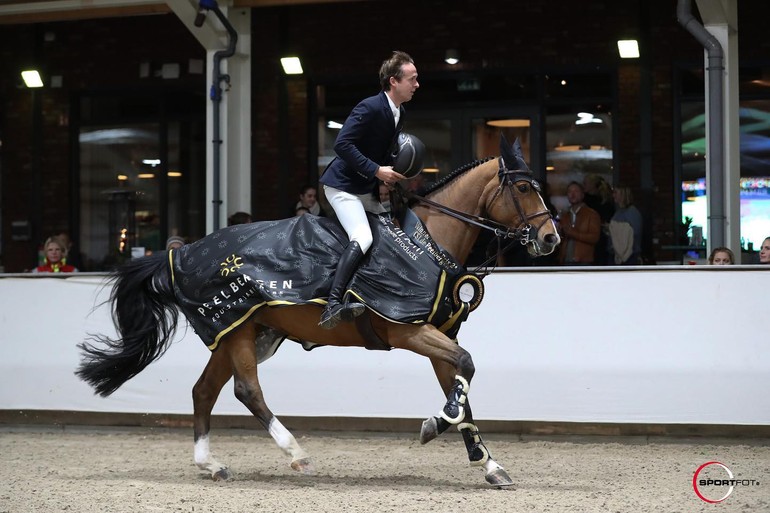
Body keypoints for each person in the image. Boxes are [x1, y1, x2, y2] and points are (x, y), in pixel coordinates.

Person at [317, 50, 418, 329]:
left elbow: (380, 151)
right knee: (362, 237)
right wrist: (376, 170)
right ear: (393, 81)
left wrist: (386, 174)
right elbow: (342, 145)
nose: (417, 84)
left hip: (365, 188)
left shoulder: (400, 112)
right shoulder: (370, 106)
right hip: (343, 187)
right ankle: (332, 304)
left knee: (389, 237)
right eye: (412, 79)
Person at [557, 181, 601, 265]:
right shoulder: (564, 215)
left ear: (582, 195)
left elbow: (594, 238)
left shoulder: (591, 214)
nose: (572, 194)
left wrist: (572, 233)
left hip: (584, 261)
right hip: (566, 260)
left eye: (576, 191)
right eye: (570, 191)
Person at [582, 174, 614, 265]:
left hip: (599, 239)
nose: (583, 186)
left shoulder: (590, 202)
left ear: (592, 185)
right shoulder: (602, 201)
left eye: (585, 184)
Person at [608, 186, 643, 265]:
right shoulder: (618, 212)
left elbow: (635, 232)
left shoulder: (632, 213)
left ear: (623, 194)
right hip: (616, 254)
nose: (613, 196)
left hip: (630, 255)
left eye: (616, 193)